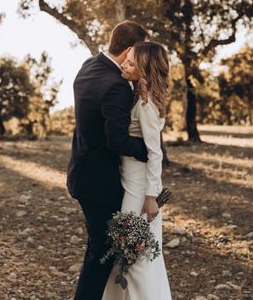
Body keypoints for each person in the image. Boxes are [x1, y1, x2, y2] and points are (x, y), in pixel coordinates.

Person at [67, 20, 149, 300]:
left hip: (80, 173)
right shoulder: (115, 85)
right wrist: (149, 149)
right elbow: (118, 141)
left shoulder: (88, 66)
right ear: (128, 50)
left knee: (99, 248)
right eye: (138, 52)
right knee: (101, 252)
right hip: (100, 182)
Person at [102, 41, 172, 299]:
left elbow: (155, 152)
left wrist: (151, 196)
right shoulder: (140, 96)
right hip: (130, 180)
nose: (125, 65)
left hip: (140, 188)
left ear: (144, 68)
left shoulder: (146, 105)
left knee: (134, 252)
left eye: (131, 62)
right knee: (129, 251)